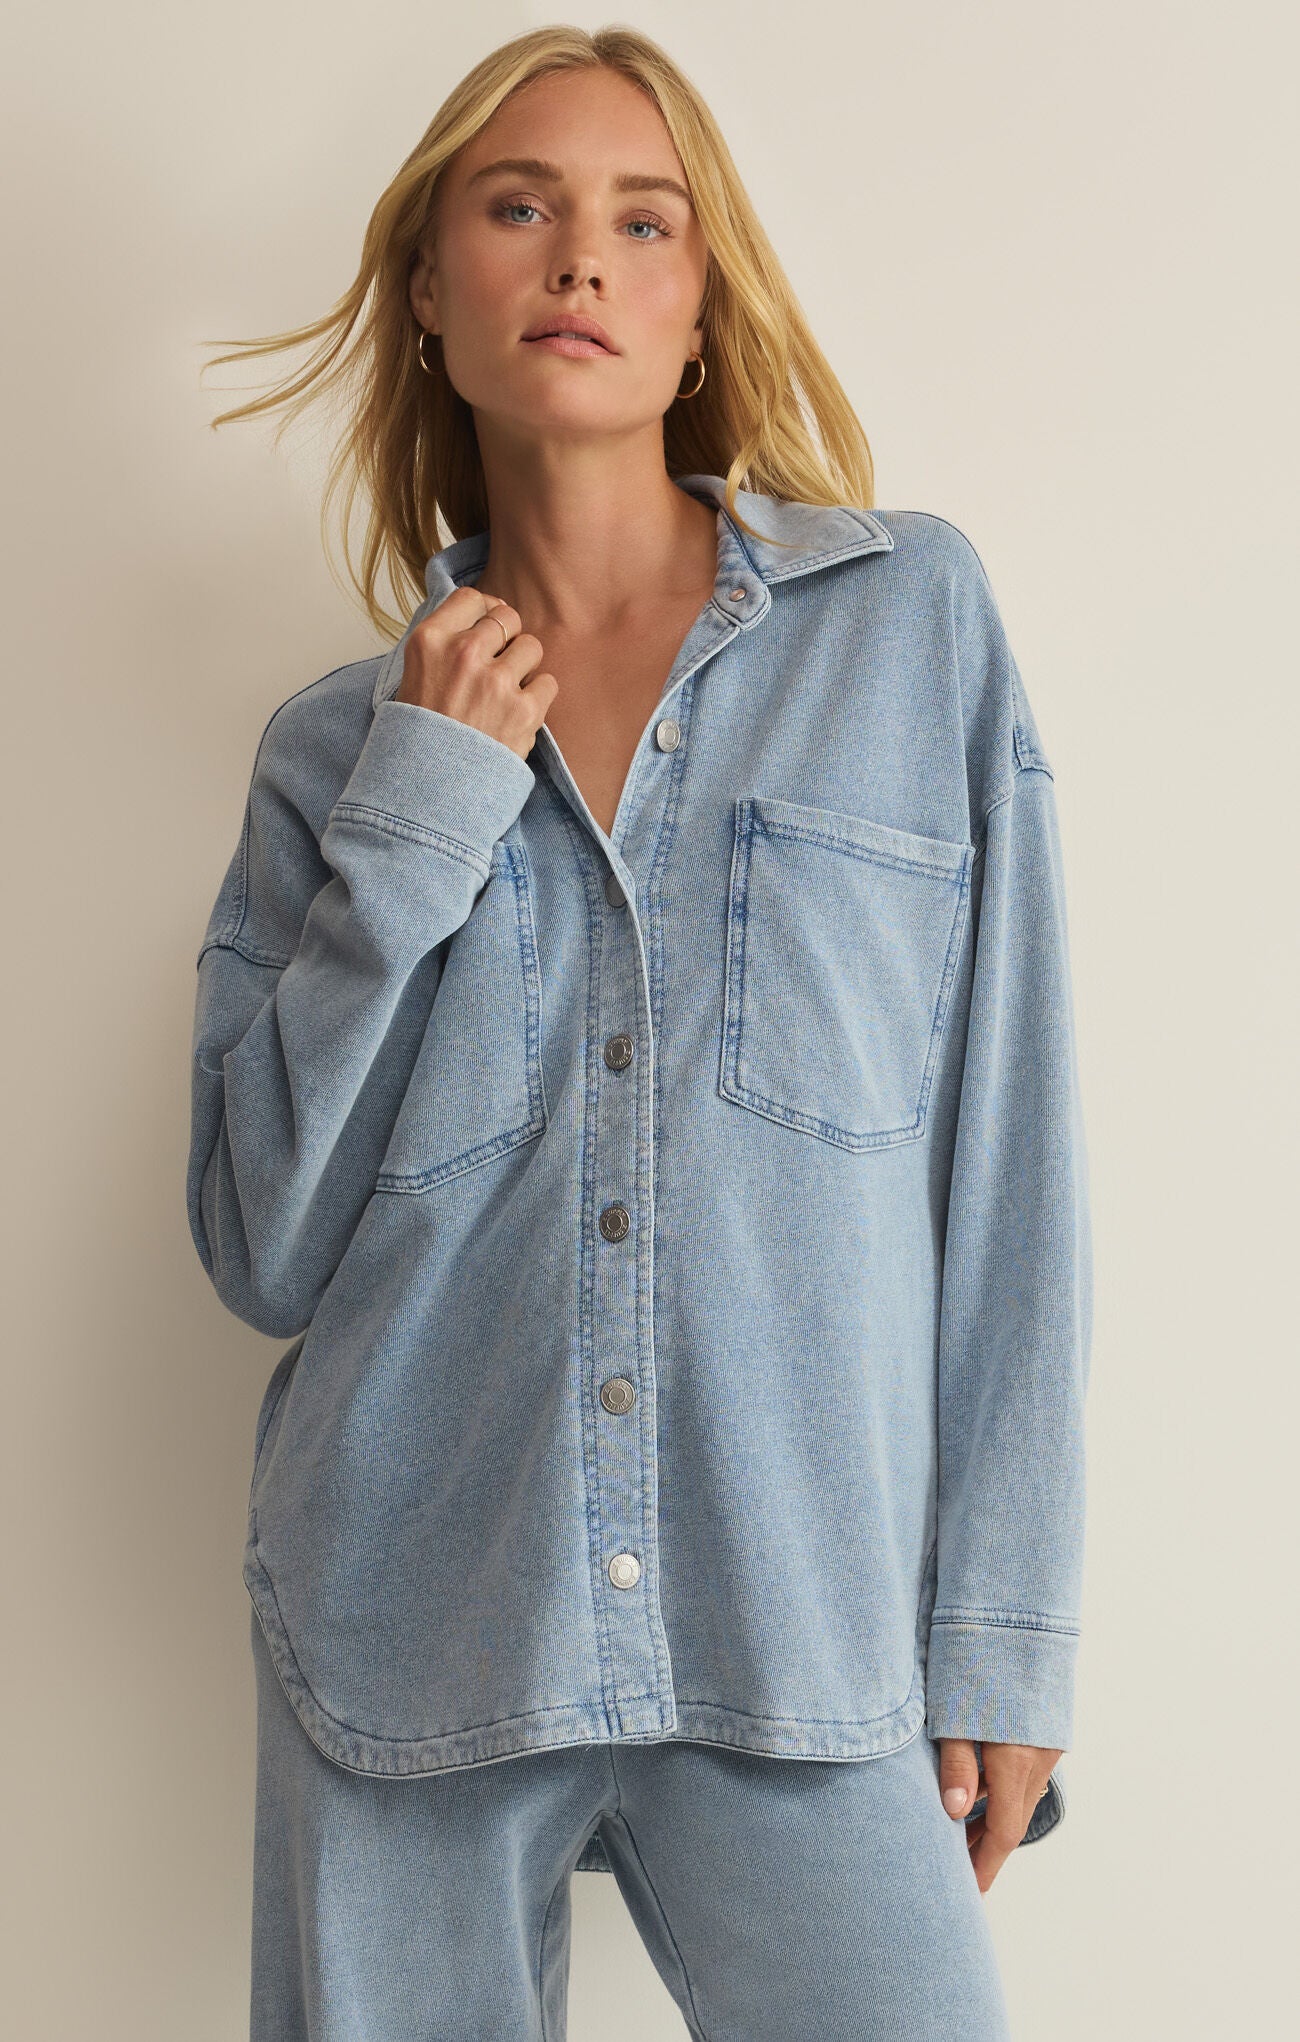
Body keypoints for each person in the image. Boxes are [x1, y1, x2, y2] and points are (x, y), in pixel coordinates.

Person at [188, 23, 1092, 2042]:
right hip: (407, 1620)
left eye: (637, 220)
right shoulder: (332, 753)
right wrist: (417, 812)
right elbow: (260, 1242)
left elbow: (1008, 1148)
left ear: (696, 309)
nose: (576, 260)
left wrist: (1002, 1628)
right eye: (516, 209)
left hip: (802, 1618)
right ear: (433, 296)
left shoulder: (906, 626)